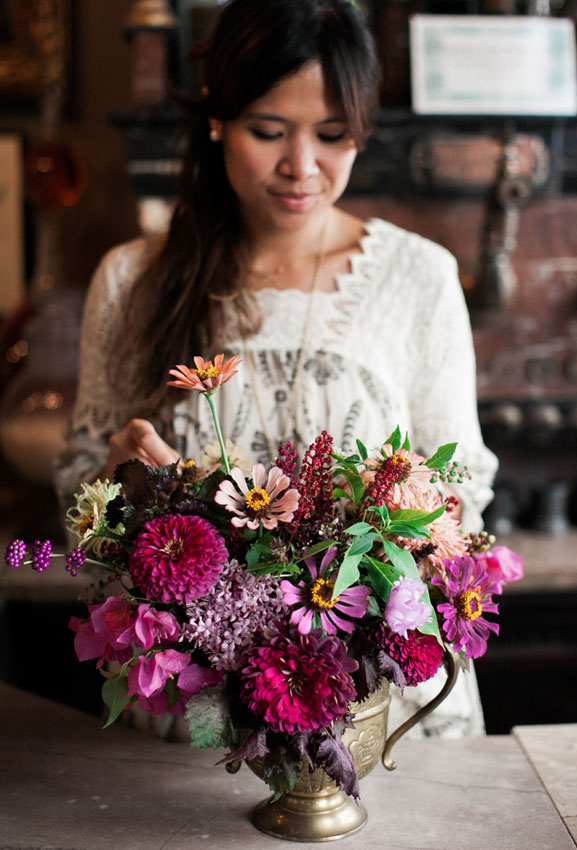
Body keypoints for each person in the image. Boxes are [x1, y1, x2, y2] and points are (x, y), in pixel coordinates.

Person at [55, 0, 498, 738]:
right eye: (269, 131)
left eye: (332, 136)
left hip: (381, 715)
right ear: (217, 119)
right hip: (199, 712)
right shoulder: (133, 280)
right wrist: (124, 487)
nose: (302, 167)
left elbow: (463, 497)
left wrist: (412, 512)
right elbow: (79, 499)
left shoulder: (418, 277)